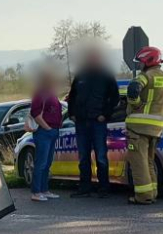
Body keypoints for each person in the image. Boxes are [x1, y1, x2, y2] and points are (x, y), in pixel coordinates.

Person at [126, 46, 163, 204]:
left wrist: (136, 103)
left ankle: (143, 196)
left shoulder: (145, 76)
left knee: (138, 163)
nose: (139, 65)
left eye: (140, 62)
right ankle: (152, 193)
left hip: (138, 127)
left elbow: (133, 89)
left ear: (147, 60)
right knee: (149, 161)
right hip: (156, 128)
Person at [66, 46, 120, 198]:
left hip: (98, 122)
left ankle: (103, 187)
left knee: (101, 156)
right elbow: (72, 96)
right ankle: (85, 187)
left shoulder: (106, 76)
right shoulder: (81, 75)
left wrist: (105, 114)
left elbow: (115, 98)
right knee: (83, 156)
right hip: (81, 123)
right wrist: (72, 114)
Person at [29, 69, 63, 202]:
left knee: (47, 162)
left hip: (53, 131)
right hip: (44, 132)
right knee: (41, 163)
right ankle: (36, 192)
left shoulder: (52, 93)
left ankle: (44, 189)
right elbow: (35, 113)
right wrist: (47, 127)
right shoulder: (39, 94)